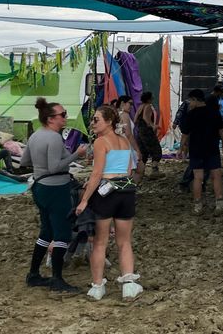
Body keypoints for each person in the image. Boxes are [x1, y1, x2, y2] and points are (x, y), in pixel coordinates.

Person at [76, 105, 143, 301]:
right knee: (124, 241)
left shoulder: (100, 142)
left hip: (106, 192)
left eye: (96, 119)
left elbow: (97, 173)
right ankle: (129, 285)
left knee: (100, 243)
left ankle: (97, 286)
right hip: (126, 190)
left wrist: (85, 199)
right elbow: (130, 169)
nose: (92, 123)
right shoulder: (123, 141)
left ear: (109, 122)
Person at [21, 98, 87, 292]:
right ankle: (57, 279)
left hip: (39, 186)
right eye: (63, 114)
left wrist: (40, 165)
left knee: (46, 231)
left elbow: (24, 160)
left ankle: (33, 274)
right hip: (55, 188)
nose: (66, 117)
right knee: (62, 233)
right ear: (51, 119)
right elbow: (54, 167)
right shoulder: (54, 137)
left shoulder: (35, 136)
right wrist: (77, 154)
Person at [180, 87, 223, 214]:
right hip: (212, 148)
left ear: (195, 99)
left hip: (196, 149)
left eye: (190, 100)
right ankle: (220, 203)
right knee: (216, 175)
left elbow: (185, 133)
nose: (190, 103)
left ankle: (197, 206)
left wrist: (181, 148)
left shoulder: (191, 114)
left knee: (198, 178)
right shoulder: (214, 112)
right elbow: (221, 129)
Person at [116, 95, 145, 182]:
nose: (131, 107)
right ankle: (131, 190)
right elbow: (129, 134)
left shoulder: (116, 114)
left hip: (120, 146)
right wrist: (137, 150)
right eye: (130, 104)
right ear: (122, 103)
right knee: (138, 169)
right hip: (127, 146)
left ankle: (130, 190)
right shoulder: (124, 115)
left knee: (131, 170)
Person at [134, 91, 163, 177]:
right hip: (147, 132)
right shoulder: (148, 107)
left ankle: (140, 173)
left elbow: (135, 120)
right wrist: (153, 126)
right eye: (152, 97)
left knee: (143, 152)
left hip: (139, 132)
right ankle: (155, 170)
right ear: (149, 99)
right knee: (156, 150)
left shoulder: (140, 107)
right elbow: (146, 118)